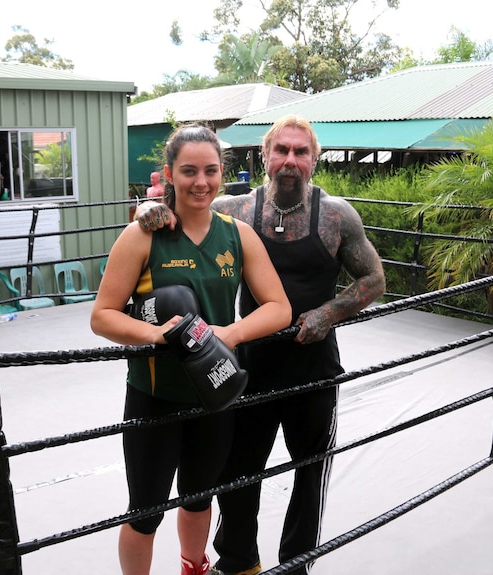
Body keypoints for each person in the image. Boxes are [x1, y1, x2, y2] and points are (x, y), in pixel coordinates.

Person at [134, 115, 386, 575]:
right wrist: (151, 210)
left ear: (314, 159)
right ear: (265, 155)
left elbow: (374, 279)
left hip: (314, 368)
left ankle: (296, 564)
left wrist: (330, 312)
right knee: (236, 472)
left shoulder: (336, 215)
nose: (291, 160)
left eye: (301, 151)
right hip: (247, 364)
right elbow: (177, 213)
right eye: (282, 150)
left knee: (310, 471)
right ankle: (238, 561)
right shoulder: (236, 211)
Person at [90, 123, 291, 575]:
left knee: (200, 496)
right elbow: (102, 315)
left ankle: (193, 567)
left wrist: (229, 334)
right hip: (154, 394)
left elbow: (279, 307)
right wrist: (158, 336)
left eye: (210, 171)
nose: (201, 182)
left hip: (215, 390)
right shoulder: (142, 235)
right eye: (189, 171)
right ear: (169, 174)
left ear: (222, 173)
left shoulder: (236, 235)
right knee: (145, 511)